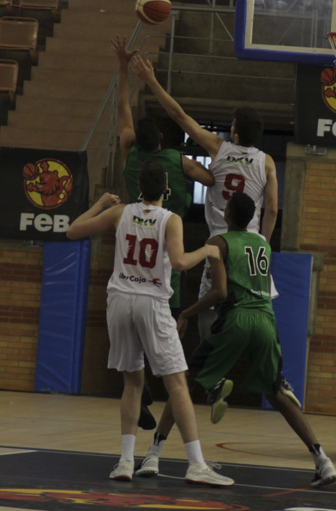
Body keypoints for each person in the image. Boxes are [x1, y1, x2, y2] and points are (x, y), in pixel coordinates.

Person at [135, 193, 336, 488]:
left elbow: (219, 292)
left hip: (238, 317)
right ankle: (323, 461)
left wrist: (188, 314)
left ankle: (153, 453)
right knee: (277, 391)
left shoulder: (219, 243)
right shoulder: (263, 245)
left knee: (183, 380)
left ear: (228, 214)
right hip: (266, 320)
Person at [66, 161, 233, 486]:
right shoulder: (170, 219)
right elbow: (181, 262)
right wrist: (208, 249)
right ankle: (196, 464)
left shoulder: (121, 212)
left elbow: (73, 230)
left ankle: (126, 461)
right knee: (177, 383)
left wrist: (99, 203)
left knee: (132, 383)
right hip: (152, 301)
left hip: (119, 301)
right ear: (166, 191)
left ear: (138, 188)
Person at [131, 55, 279, 340]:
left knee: (208, 313)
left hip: (219, 245)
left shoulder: (218, 147)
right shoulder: (268, 162)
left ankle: (213, 373)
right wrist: (264, 243)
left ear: (235, 132)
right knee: (261, 310)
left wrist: (151, 81)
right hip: (251, 247)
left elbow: (179, 116)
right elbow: (272, 209)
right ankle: (271, 370)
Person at [113, 35, 216, 429]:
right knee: (169, 326)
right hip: (167, 253)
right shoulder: (180, 160)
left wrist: (123, 69)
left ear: (140, 144)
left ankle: (141, 391)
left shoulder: (128, 149)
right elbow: (210, 177)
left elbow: (122, 107)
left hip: (129, 249)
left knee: (132, 325)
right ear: (165, 144)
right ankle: (175, 383)